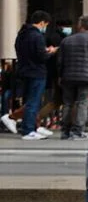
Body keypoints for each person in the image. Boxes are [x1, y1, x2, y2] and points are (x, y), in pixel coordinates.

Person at [7, 11, 58, 140]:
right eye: (45, 24)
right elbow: (41, 56)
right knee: (33, 101)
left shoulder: (22, 35)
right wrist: (51, 52)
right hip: (37, 72)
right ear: (42, 22)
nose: (44, 27)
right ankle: (28, 129)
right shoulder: (37, 36)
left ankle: (29, 127)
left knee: (28, 100)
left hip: (24, 70)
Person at [57, 15, 88, 140]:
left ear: (80, 25)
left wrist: (60, 75)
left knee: (67, 103)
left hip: (68, 77)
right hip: (87, 77)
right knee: (82, 103)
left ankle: (65, 130)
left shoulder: (66, 41)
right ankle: (77, 130)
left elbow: (60, 62)